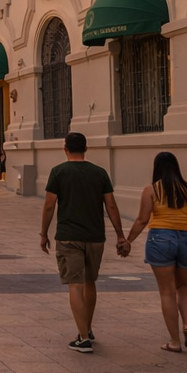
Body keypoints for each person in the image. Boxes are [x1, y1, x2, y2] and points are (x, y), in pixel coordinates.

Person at [40, 132, 125, 353]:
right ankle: (86, 327)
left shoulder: (58, 172)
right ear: (85, 149)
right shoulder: (99, 173)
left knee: (75, 285)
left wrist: (43, 233)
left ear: (65, 148)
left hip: (69, 236)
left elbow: (49, 205)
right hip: (95, 237)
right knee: (90, 282)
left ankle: (83, 338)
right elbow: (111, 206)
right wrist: (120, 235)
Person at [127, 152, 187, 353]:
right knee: (183, 286)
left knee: (167, 291)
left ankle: (175, 341)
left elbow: (142, 219)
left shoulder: (151, 190)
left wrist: (128, 241)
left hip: (161, 239)